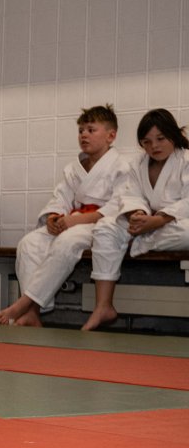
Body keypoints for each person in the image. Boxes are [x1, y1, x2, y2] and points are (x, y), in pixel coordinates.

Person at [0, 104, 131, 326]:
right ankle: (33, 313)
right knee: (29, 243)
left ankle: (26, 304)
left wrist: (76, 220)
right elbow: (61, 199)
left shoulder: (122, 167)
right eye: (81, 130)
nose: (84, 135)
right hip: (71, 222)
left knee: (67, 241)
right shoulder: (73, 169)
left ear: (111, 135)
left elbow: (118, 206)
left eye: (91, 130)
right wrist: (53, 217)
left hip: (100, 226)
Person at [82, 108, 189, 331]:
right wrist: (137, 215)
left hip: (173, 223)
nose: (154, 146)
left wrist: (158, 220)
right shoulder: (136, 164)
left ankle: (132, 243)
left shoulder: (186, 160)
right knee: (105, 227)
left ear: (173, 135)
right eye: (147, 142)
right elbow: (130, 195)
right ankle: (103, 305)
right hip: (143, 225)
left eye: (160, 139)